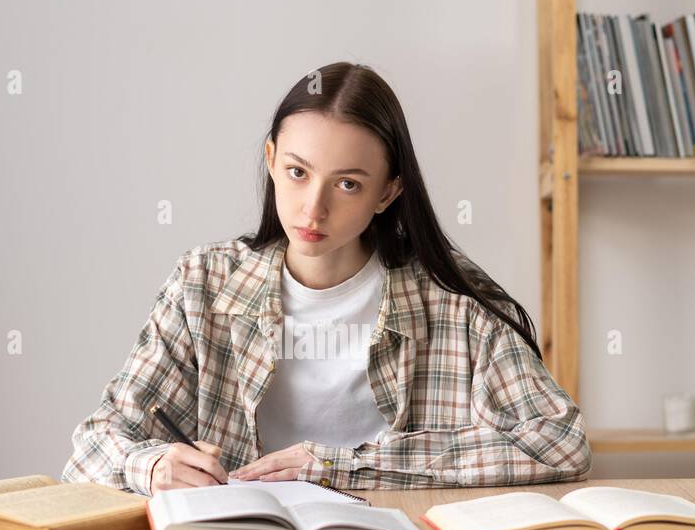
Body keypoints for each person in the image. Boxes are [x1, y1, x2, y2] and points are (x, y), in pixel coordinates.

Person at [61, 61, 591, 495]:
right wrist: (153, 466)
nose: (313, 208)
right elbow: (93, 446)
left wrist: (342, 466)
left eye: (348, 185)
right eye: (297, 172)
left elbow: (560, 442)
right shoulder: (203, 284)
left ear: (387, 193)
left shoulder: (451, 301)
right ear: (270, 161)